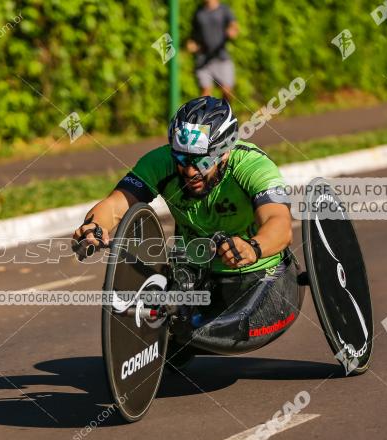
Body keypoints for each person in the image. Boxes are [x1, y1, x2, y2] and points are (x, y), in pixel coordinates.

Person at [72, 96, 298, 366]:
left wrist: (253, 247)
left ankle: (191, 329)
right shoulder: (160, 163)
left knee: (187, 329)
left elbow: (280, 223)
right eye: (181, 158)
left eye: (202, 161)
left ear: (224, 151)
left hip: (259, 274)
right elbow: (116, 203)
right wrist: (94, 227)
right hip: (195, 272)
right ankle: (183, 327)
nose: (190, 170)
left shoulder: (253, 166)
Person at [187, 0, 239, 101]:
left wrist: (232, 31)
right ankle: (207, 116)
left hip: (221, 57)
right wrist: (191, 44)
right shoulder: (198, 12)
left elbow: (234, 25)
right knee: (205, 93)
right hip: (203, 59)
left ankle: (226, 113)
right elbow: (193, 35)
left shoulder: (225, 10)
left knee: (227, 91)